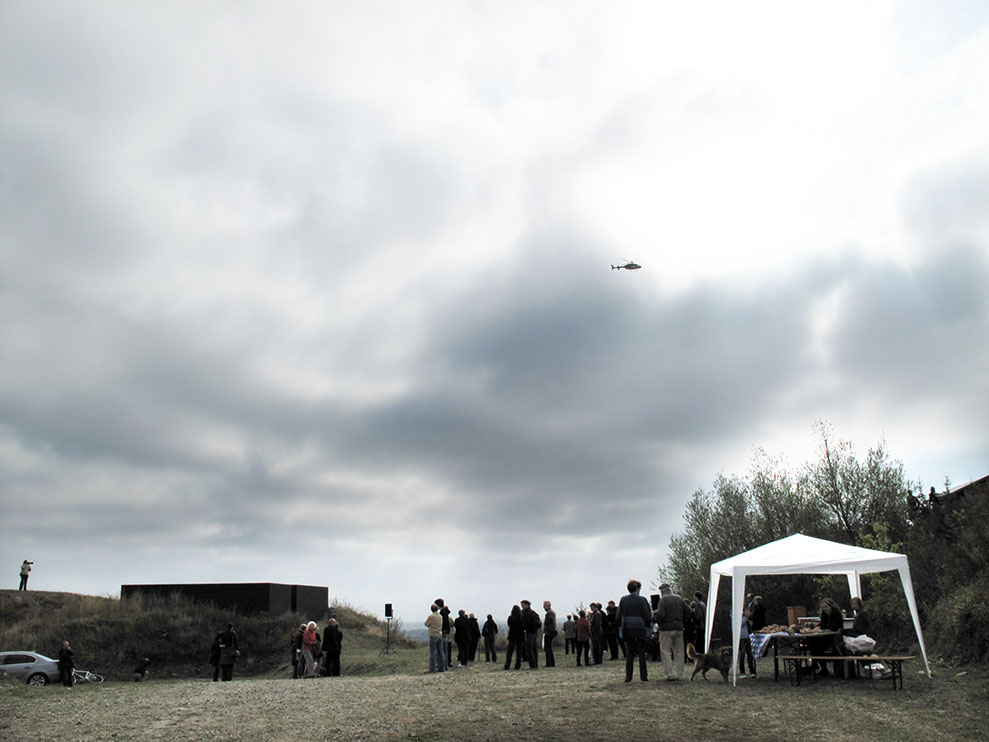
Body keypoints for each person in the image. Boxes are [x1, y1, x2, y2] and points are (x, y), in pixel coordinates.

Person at [653, 583, 693, 680]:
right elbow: (689, 612)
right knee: (679, 653)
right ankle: (680, 675)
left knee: (666, 652)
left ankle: (670, 674)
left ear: (662, 591)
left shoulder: (663, 600)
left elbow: (661, 614)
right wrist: (682, 619)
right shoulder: (679, 598)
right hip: (679, 628)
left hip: (666, 629)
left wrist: (655, 614)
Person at [617, 579, 652, 682]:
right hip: (640, 628)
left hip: (627, 628)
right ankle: (643, 677)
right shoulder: (642, 600)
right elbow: (647, 615)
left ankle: (628, 677)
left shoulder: (623, 600)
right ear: (637, 588)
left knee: (630, 653)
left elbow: (618, 616)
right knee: (641, 653)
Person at [810, 597, 844, 677]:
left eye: (826, 607)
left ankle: (816, 664)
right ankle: (819, 665)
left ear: (831, 606)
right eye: (823, 607)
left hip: (833, 637)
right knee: (812, 641)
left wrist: (824, 628)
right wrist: (818, 627)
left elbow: (835, 627)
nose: (824, 609)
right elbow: (822, 625)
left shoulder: (836, 615)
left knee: (816, 644)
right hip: (824, 636)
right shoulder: (824, 615)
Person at [425, 604, 446, 672]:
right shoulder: (440, 616)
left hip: (433, 635)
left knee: (433, 652)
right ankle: (442, 667)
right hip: (440, 634)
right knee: (440, 652)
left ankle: (432, 668)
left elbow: (426, 624)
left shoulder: (431, 616)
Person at [520, 600, 541, 669]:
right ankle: (535, 663)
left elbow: (525, 623)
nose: (522, 607)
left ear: (527, 605)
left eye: (523, 605)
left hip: (529, 632)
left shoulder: (527, 614)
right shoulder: (534, 613)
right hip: (534, 632)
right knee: (534, 648)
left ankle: (532, 664)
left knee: (529, 648)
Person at [737, 607, 756, 678]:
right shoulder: (734, 615)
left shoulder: (745, 617)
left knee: (749, 654)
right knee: (742, 654)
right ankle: (742, 671)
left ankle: (752, 671)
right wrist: (745, 616)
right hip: (741, 637)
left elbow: (750, 624)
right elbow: (740, 623)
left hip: (747, 636)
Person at [504, 605, 525, 670]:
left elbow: (509, 624)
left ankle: (507, 665)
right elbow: (524, 626)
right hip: (520, 636)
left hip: (512, 636)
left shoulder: (510, 618)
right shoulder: (521, 618)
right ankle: (518, 665)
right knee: (519, 651)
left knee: (510, 651)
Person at [542, 601, 557, 667]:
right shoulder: (551, 612)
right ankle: (551, 662)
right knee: (549, 648)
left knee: (547, 648)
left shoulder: (549, 613)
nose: (543, 607)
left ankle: (549, 663)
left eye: (544, 605)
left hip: (549, 633)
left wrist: (548, 630)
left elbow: (549, 623)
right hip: (550, 632)